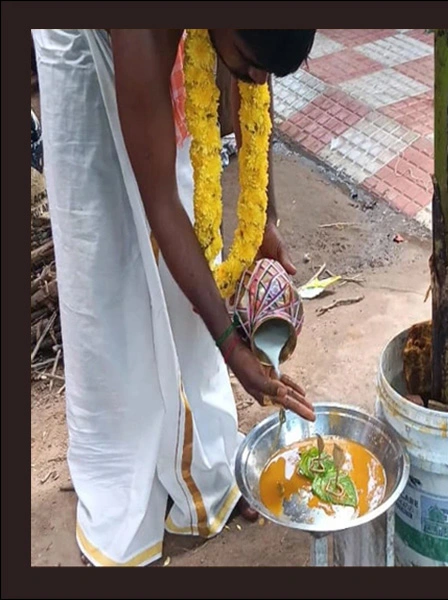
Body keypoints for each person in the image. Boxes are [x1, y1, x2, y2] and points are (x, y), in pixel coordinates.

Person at [33, 29, 316, 567]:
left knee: (186, 213)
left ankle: (197, 466)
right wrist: (235, 350)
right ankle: (123, 482)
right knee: (109, 260)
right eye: (253, 63)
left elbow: (255, 93)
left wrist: (265, 220)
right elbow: (159, 204)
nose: (257, 79)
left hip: (179, 40)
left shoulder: (247, 32)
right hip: (83, 39)